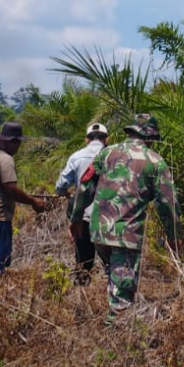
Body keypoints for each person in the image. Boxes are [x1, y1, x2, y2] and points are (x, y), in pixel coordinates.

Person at [70, 113, 180, 322]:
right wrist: (174, 235)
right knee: (122, 297)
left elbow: (85, 185)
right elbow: (167, 203)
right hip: (125, 235)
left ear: (130, 132)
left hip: (99, 231)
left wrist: (76, 219)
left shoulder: (106, 153)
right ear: (149, 137)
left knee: (115, 278)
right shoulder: (155, 162)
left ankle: (111, 321)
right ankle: (115, 339)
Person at [0, 121, 46, 275]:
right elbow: (11, 189)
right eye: (17, 143)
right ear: (11, 142)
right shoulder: (6, 159)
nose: (18, 148)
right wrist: (33, 201)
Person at [55, 122, 109, 285]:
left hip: (82, 217)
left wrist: (66, 194)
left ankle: (82, 294)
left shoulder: (76, 157)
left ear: (87, 139)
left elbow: (60, 186)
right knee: (112, 264)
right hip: (108, 217)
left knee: (83, 262)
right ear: (106, 139)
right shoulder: (113, 156)